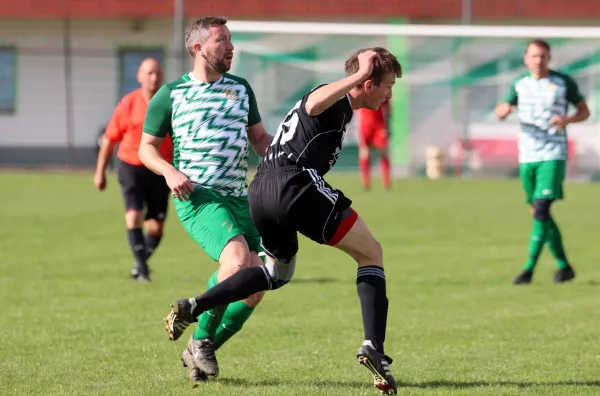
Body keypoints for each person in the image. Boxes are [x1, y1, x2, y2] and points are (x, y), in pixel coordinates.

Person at [162, 47, 402, 395]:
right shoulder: (335, 98)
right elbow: (313, 103)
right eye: (388, 84)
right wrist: (356, 75)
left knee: (277, 274)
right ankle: (373, 348)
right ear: (367, 83)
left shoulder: (343, 108)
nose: (390, 93)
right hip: (294, 186)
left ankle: (195, 305)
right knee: (371, 253)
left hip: (262, 191)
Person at [139, 17, 273, 383]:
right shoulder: (171, 94)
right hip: (197, 196)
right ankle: (200, 339)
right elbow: (145, 149)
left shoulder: (241, 89)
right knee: (236, 259)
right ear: (198, 48)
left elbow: (259, 138)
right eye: (221, 40)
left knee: (257, 283)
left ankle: (198, 349)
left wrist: (279, 153)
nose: (230, 47)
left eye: (230, 40)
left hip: (237, 198)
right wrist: (169, 172)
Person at [495, 39, 590, 285]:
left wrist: (567, 120)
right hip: (527, 155)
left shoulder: (562, 82)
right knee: (539, 213)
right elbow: (502, 108)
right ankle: (564, 266)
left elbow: (584, 111)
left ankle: (528, 270)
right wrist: (503, 111)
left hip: (553, 153)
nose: (538, 60)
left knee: (541, 209)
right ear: (526, 59)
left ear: (549, 58)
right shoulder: (520, 84)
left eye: (542, 56)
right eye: (534, 56)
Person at [94, 58, 173, 282]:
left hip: (160, 168)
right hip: (132, 166)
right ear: (139, 76)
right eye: (149, 73)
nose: (154, 77)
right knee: (134, 215)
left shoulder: (171, 103)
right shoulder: (128, 104)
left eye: (158, 73)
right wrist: (100, 171)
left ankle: (140, 265)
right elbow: (110, 140)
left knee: (156, 228)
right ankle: (143, 270)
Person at [357, 99, 391, 190]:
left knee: (384, 152)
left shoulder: (382, 87)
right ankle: (366, 183)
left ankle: (386, 183)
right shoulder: (362, 88)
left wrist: (388, 127)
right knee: (365, 153)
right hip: (365, 125)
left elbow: (387, 108)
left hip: (379, 125)